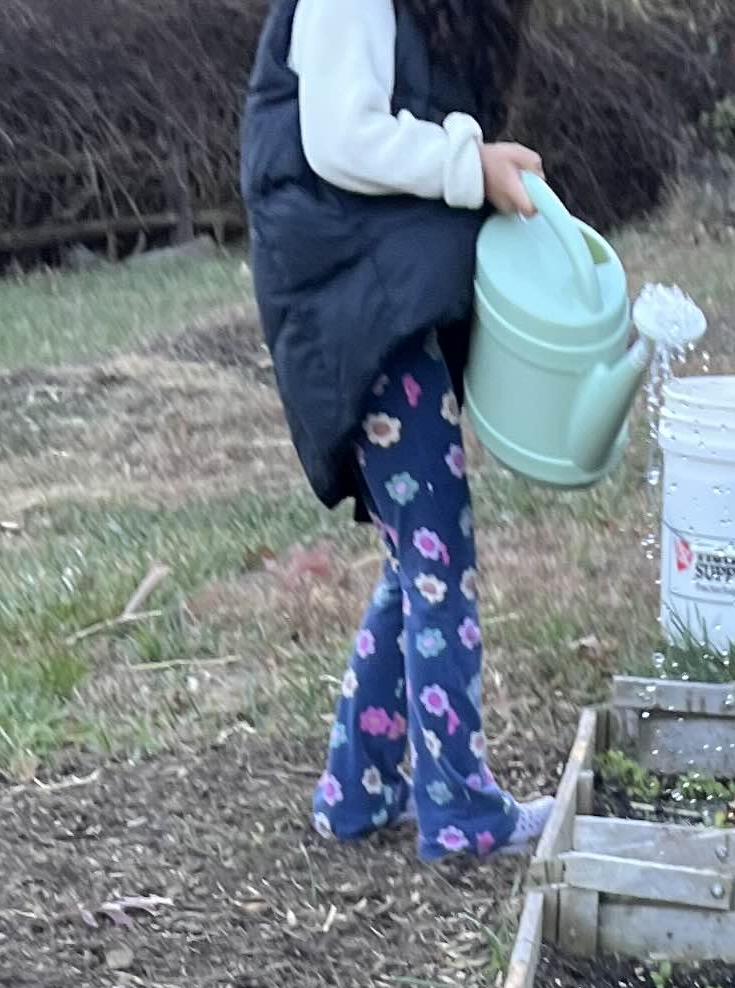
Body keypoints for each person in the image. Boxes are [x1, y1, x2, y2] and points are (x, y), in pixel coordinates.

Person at [243, 0, 554, 863]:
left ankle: (357, 790)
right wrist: (468, 163)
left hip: (372, 295)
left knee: (415, 556)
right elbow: (341, 136)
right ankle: (458, 807)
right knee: (437, 561)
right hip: (354, 303)